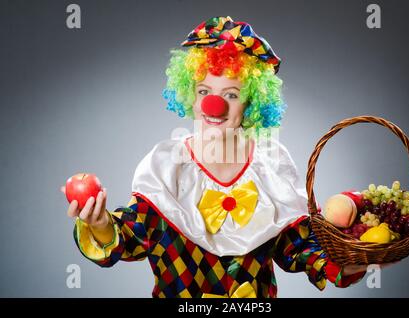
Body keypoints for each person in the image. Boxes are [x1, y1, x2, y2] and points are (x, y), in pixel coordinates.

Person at [62, 16, 369, 298]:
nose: (213, 105)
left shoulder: (270, 164)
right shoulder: (166, 166)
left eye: (231, 95)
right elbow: (132, 237)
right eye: (203, 90)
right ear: (190, 94)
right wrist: (101, 224)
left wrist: (348, 263)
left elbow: (298, 246)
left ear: (252, 103)